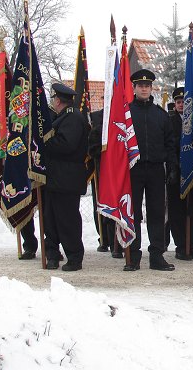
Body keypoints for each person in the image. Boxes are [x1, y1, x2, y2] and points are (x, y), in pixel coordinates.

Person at [124, 69, 177, 271]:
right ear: (134, 88)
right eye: (140, 86)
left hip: (156, 169)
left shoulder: (161, 115)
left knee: (156, 213)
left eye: (147, 86)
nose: (144, 88)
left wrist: (172, 167)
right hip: (133, 169)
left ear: (151, 88)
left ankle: (157, 256)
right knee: (133, 213)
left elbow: (170, 144)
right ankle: (133, 256)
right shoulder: (126, 113)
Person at [43, 83, 89, 271]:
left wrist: (44, 141)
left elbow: (66, 145)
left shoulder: (72, 118)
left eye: (54, 99)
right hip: (56, 178)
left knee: (67, 219)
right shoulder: (63, 117)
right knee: (51, 218)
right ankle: (52, 254)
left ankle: (74, 257)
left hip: (67, 178)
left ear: (58, 100)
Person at [167, 86, 193, 261]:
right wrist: (173, 167)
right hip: (175, 172)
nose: (181, 104)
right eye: (179, 102)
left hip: (192, 172)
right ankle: (181, 246)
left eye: (184, 102)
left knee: (192, 210)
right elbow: (169, 145)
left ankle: (192, 245)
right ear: (175, 104)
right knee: (177, 212)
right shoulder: (170, 120)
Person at [88, 109, 123, 258]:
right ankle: (108, 240)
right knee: (106, 207)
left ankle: (121, 242)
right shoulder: (97, 120)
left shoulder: (126, 115)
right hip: (104, 170)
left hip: (122, 170)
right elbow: (92, 148)